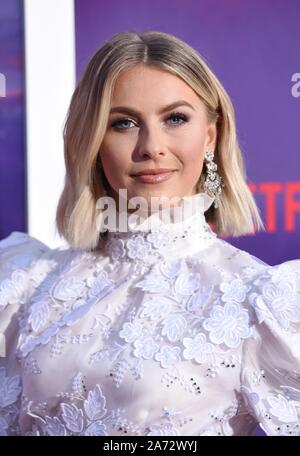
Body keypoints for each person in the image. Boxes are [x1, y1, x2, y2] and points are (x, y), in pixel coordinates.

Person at [0, 30, 300, 437]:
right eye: (123, 123)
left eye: (175, 118)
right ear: (92, 141)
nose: (151, 147)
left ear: (209, 135)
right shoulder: (26, 282)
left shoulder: (257, 299)